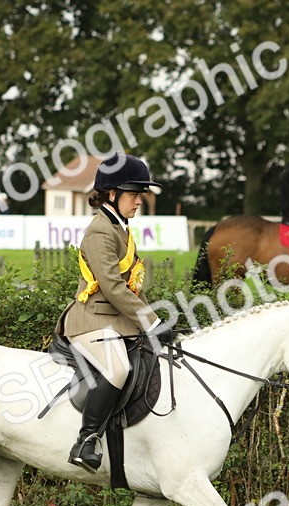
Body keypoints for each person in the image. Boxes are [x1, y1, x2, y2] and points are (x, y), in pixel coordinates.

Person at [60, 153, 177, 473]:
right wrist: (150, 321)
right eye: (134, 195)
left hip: (116, 320)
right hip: (91, 319)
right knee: (117, 368)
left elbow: (133, 287)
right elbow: (112, 287)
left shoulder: (121, 228)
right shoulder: (100, 231)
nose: (139, 201)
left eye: (140, 195)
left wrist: (159, 319)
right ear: (112, 194)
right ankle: (85, 440)